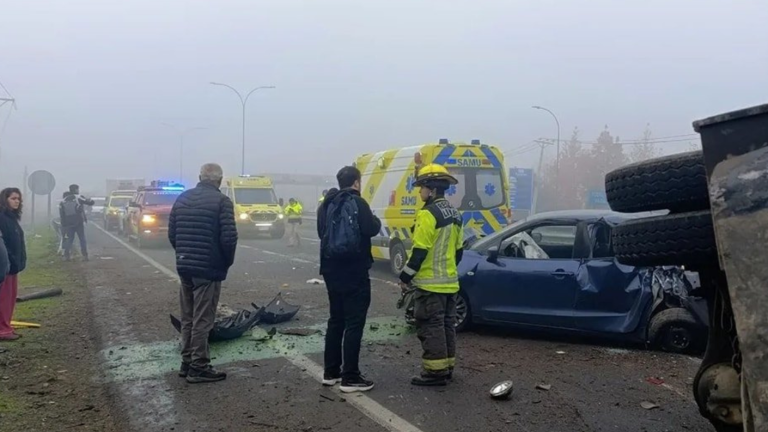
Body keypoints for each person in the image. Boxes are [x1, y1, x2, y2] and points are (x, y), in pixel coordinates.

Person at [168, 163, 238, 384]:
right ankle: (199, 366)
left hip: (185, 265)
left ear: (199, 177)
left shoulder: (183, 199)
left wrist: (183, 254)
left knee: (187, 317)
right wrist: (225, 263)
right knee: (203, 319)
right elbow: (229, 238)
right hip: (208, 268)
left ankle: (186, 361)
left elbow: (173, 233)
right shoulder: (222, 202)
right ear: (219, 180)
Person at [398, 164, 464, 387]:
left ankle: (435, 373)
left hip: (430, 286)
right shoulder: (455, 214)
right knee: (446, 327)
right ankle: (447, 368)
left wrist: (405, 277)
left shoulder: (428, 214)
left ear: (432, 189)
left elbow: (419, 251)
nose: (419, 192)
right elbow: (459, 251)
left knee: (430, 327)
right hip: (450, 285)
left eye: (422, 188)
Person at [317, 166, 381, 393]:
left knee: (336, 320)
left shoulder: (326, 204)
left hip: (331, 270)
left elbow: (321, 233)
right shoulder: (359, 203)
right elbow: (371, 229)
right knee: (354, 323)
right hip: (354, 270)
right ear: (356, 182)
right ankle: (350, 376)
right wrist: (376, 220)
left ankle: (330, 371)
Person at [0, 188, 26, 341]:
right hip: (6, 266)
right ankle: (2, 329)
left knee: (10, 298)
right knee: (4, 298)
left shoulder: (12, 218)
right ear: (5, 199)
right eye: (13, 198)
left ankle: (6, 325)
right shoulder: (2, 218)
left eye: (18, 199)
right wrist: (9, 261)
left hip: (14, 266)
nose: (17, 201)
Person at [61, 184, 94, 261]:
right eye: (77, 189)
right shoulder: (78, 197)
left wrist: (64, 224)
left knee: (69, 239)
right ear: (75, 190)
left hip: (68, 223)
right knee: (82, 238)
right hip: (78, 221)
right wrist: (91, 201)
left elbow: (62, 214)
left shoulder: (64, 200)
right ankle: (85, 255)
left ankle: (67, 255)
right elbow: (89, 203)